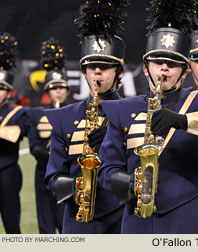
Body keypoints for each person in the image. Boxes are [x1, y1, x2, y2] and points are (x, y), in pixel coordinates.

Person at [97, 0, 198, 234]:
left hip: (187, 217)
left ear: (185, 70)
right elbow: (107, 169)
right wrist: (125, 182)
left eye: (172, 64)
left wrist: (183, 121)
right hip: (137, 219)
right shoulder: (122, 110)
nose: (164, 69)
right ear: (146, 66)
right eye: (158, 62)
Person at [44, 0, 128, 234]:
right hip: (76, 219)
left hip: (120, 219)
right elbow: (52, 176)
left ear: (119, 72)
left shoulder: (133, 112)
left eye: (104, 66)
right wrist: (76, 186)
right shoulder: (64, 117)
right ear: (84, 72)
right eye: (92, 67)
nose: (97, 72)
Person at [27, 38, 69, 234]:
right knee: (45, 226)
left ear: (67, 89)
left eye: (61, 87)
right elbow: (34, 147)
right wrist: (52, 152)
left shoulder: (75, 113)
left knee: (65, 222)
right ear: (47, 91)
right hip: (43, 173)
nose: (58, 91)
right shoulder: (37, 114)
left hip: (66, 175)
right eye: (53, 88)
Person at [0, 32, 31, 234]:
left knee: (12, 225)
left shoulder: (16, 112)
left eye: (1, 88)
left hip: (7, 172)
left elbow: (12, 137)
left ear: (9, 90)